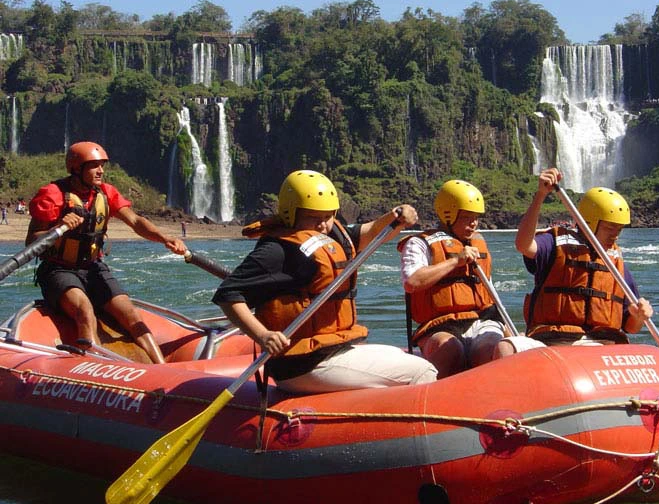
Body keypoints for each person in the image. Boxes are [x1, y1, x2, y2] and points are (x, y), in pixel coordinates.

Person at [212, 169, 437, 394]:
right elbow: (229, 294)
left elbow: (370, 233)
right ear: (291, 213)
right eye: (313, 217)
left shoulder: (331, 235)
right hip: (302, 364)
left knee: (399, 356)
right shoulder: (276, 250)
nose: (322, 224)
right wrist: (262, 335)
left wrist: (395, 216)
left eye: (328, 216)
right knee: (421, 370)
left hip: (331, 351)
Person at [26, 141, 187, 364]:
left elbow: (136, 221)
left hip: (93, 268)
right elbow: (30, 243)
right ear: (76, 168)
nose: (100, 171)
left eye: (102, 165)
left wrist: (164, 238)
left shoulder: (106, 193)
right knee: (84, 309)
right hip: (58, 270)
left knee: (131, 314)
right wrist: (57, 229)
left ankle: (162, 369)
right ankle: (95, 368)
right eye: (93, 166)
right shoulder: (52, 194)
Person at [497, 168, 653, 356]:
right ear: (588, 222)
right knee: (505, 348)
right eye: (610, 227)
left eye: (619, 229)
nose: (615, 234)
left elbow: (631, 327)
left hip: (601, 344)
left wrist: (638, 316)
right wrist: (540, 196)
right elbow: (523, 245)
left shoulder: (615, 260)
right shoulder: (555, 243)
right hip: (553, 341)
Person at [398, 180, 506, 378]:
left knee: (489, 348)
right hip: (439, 325)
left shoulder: (478, 242)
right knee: (450, 349)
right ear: (448, 215)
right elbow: (412, 282)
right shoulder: (419, 243)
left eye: (476, 217)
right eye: (466, 217)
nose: (473, 223)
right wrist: (455, 261)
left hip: (481, 320)